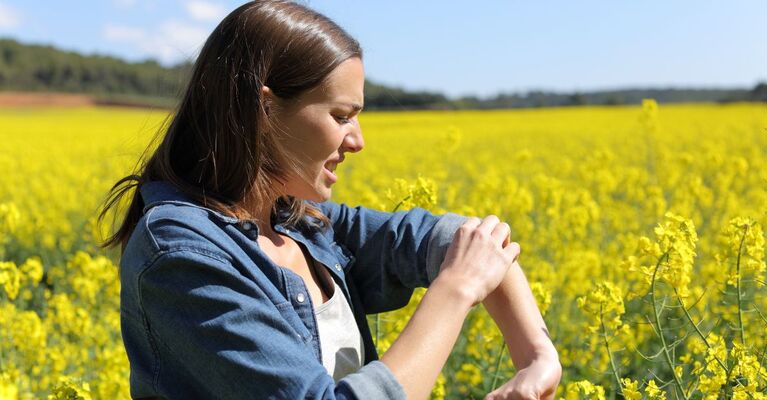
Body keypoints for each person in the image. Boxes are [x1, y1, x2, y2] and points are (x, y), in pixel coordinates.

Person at [99, 1, 561, 399]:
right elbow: (465, 267)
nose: (357, 140)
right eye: (342, 116)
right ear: (264, 108)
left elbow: (475, 243)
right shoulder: (182, 256)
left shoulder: (297, 223)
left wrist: (538, 359)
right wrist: (456, 291)